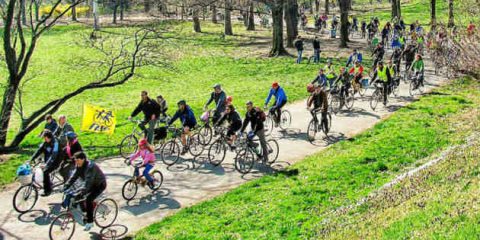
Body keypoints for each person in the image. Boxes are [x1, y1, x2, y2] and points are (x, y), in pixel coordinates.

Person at [64, 152, 106, 231]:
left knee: (88, 199)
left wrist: (81, 192)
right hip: (88, 184)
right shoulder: (79, 165)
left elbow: (88, 182)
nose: (76, 162)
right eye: (75, 161)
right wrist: (66, 185)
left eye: (78, 160)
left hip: (99, 185)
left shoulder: (90, 167)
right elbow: (74, 176)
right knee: (79, 196)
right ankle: (86, 213)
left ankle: (90, 222)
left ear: (83, 159)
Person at [31, 130, 62, 196]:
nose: (44, 140)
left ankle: (47, 191)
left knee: (46, 172)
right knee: (40, 169)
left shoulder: (55, 143)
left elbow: (54, 155)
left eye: (45, 138)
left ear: (49, 137)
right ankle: (48, 182)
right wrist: (31, 159)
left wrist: (46, 164)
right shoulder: (46, 142)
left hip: (57, 160)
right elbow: (39, 151)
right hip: (48, 159)